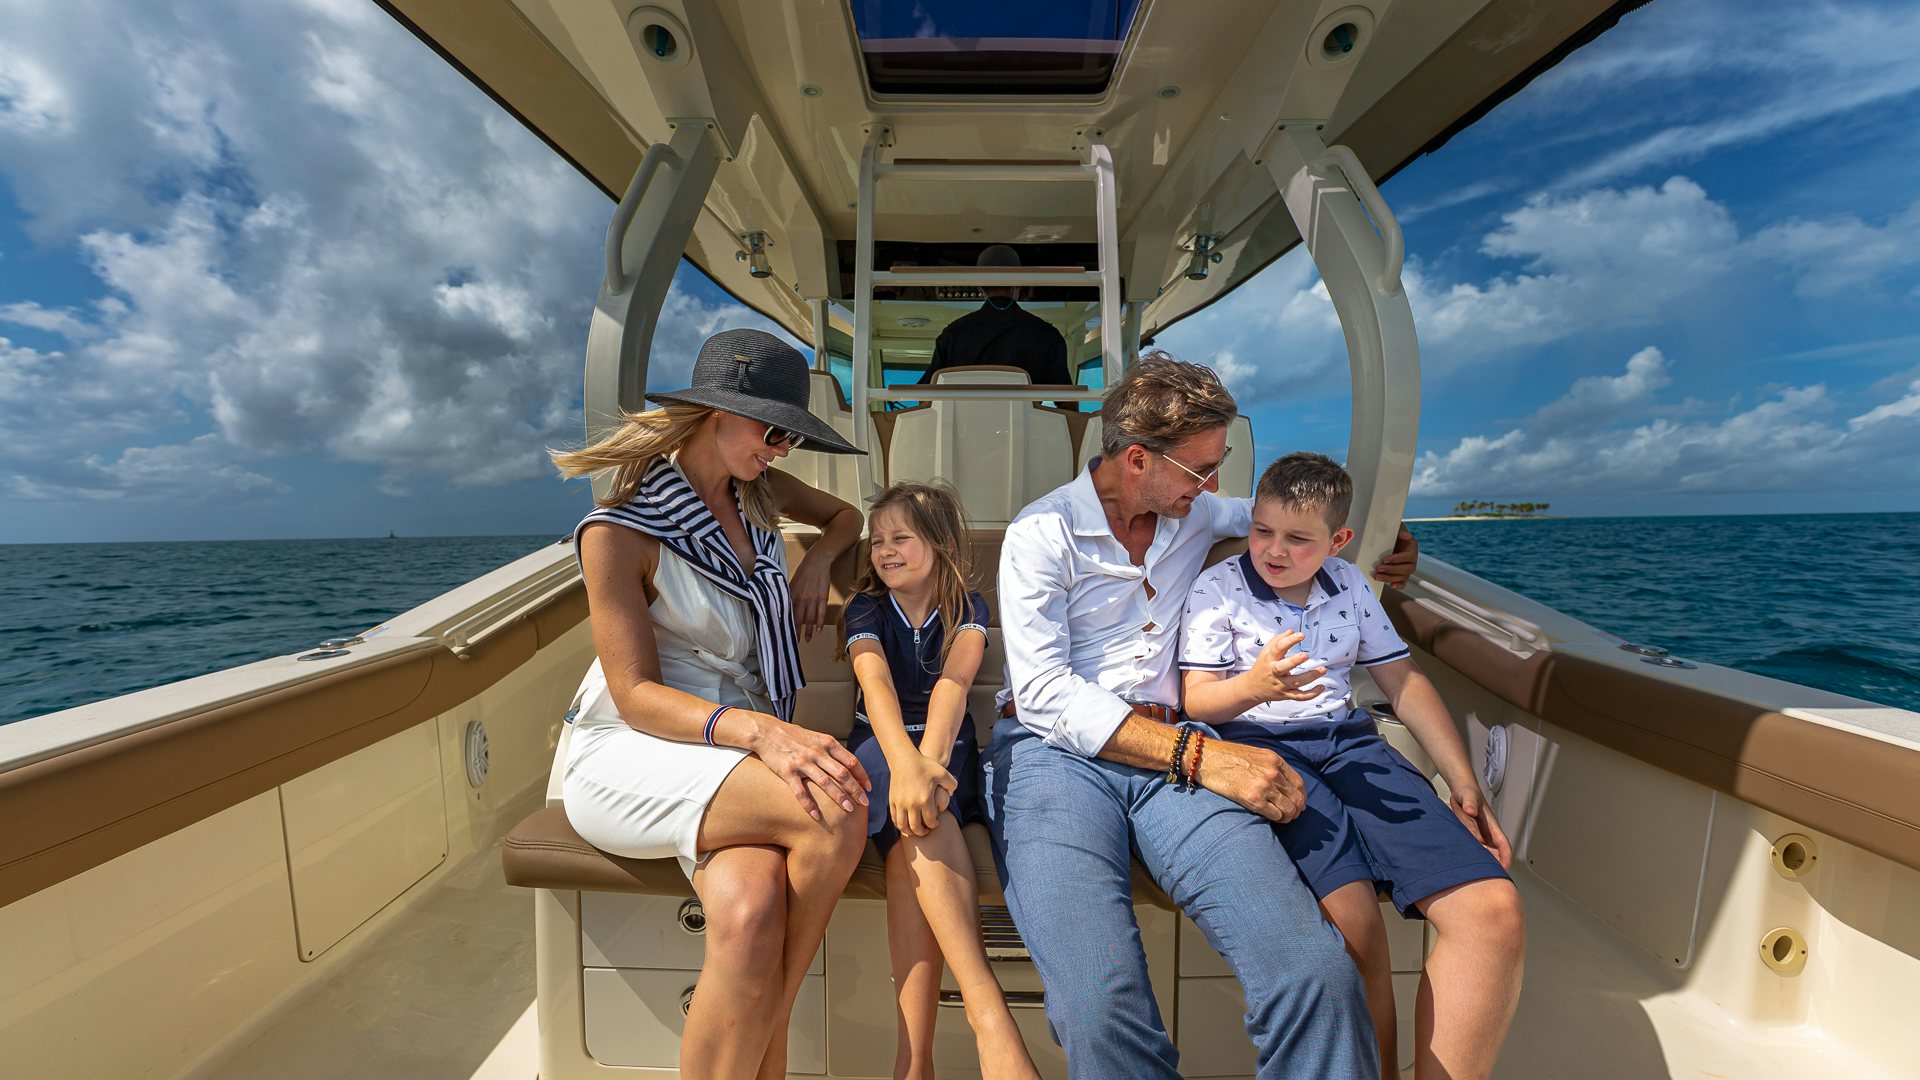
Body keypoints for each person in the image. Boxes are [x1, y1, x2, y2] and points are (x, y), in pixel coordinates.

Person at [988, 352, 1418, 1080]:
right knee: (1099, 1006)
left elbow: (1291, 523)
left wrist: (1386, 545)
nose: (1215, 488)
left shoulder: (1190, 507)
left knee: (1316, 972)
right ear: (1135, 461)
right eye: (1200, 471)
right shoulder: (1042, 534)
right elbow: (1044, 694)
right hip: (1052, 755)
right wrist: (1205, 758)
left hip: (1176, 752)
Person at [549, 328, 874, 1080]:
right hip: (635, 748)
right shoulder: (619, 531)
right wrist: (764, 732)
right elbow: (633, 695)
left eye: (790, 435)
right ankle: (777, 1034)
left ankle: (760, 1036)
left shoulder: (759, 496)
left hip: (728, 748)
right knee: (838, 805)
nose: (783, 449)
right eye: (774, 430)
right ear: (715, 415)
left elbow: (847, 518)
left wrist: (815, 561)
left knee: (752, 911)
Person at [1178, 452, 1525, 1080]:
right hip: (1262, 748)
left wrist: (1463, 780)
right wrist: (1256, 686)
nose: (1273, 550)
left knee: (1493, 913)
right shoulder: (1218, 588)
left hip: (1352, 746)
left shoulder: (1350, 584)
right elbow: (1196, 698)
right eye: (1263, 530)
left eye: (1297, 539)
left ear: (1337, 541)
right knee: (1356, 929)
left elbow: (1402, 679)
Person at [840, 482, 1041, 1080]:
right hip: (883, 745)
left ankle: (914, 1062)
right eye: (878, 541)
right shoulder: (866, 608)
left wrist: (927, 770)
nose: (886, 550)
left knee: (917, 836)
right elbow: (874, 688)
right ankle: (989, 1018)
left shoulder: (968, 609)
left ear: (943, 543)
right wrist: (906, 768)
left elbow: (955, 684)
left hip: (945, 743)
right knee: (923, 818)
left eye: (902, 537)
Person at [917, 245, 1073, 389]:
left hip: (962, 420)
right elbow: (1067, 404)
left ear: (980, 288)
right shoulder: (1047, 335)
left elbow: (925, 396)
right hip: (1026, 420)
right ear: (1019, 284)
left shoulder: (952, 335)